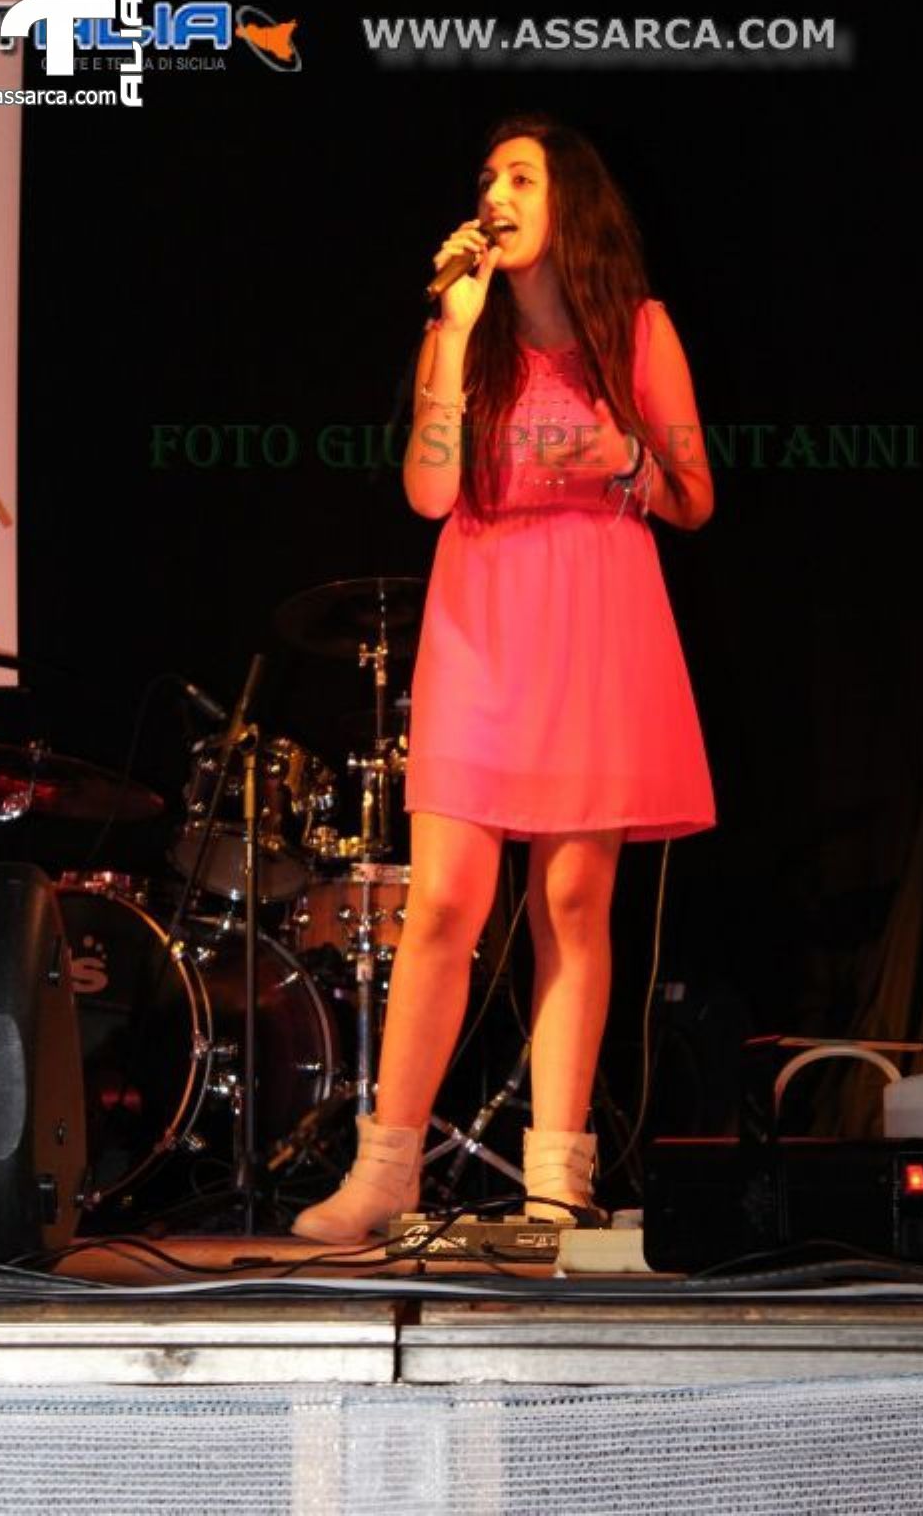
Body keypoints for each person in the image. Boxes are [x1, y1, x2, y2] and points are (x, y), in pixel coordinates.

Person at [293, 114, 715, 1242]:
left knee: (570, 903)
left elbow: (693, 497)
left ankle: (556, 1178)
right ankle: (386, 1170)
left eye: (521, 177)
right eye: (487, 178)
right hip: (481, 617)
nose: (496, 194)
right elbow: (430, 496)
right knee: (442, 901)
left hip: (597, 617)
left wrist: (625, 459)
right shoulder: (463, 335)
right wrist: (452, 328)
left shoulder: (638, 329)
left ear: (570, 201)